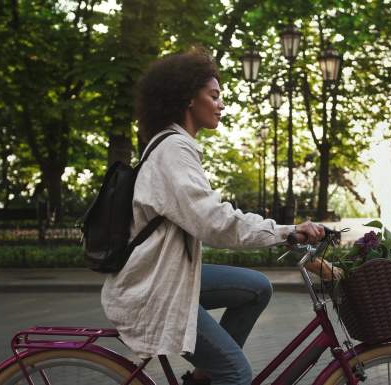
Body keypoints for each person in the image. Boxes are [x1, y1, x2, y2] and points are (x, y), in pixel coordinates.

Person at [101, 48, 338, 385]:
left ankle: (202, 380)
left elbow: (210, 219)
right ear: (187, 99)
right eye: (214, 96)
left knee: (257, 287)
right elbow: (216, 224)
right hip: (154, 290)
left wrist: (286, 232)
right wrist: (286, 231)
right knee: (236, 371)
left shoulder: (174, 146)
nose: (221, 105)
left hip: (165, 276)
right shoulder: (173, 150)